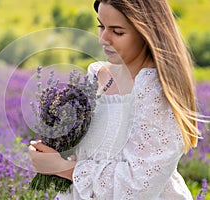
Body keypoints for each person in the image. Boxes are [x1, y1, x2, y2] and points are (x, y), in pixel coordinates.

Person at [28, 0, 200, 199]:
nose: (103, 39)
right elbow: (87, 155)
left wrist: (63, 168)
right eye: (101, 26)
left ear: (147, 34)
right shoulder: (97, 76)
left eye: (117, 32)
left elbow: (138, 185)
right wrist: (51, 150)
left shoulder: (155, 91)